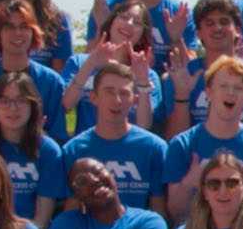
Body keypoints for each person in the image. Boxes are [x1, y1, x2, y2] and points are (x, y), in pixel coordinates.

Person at [164, 57, 243, 221]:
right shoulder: (182, 145)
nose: (230, 93)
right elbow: (175, 211)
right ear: (209, 93)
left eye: (239, 88)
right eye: (223, 86)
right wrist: (188, 183)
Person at [62, 63, 169, 215]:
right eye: (109, 92)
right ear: (93, 98)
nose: (117, 100)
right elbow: (71, 208)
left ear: (134, 100)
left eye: (124, 93)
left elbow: (159, 209)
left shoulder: (154, 148)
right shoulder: (74, 150)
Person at [0, 0, 70, 143]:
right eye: (9, 27)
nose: (17, 33)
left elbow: (57, 137)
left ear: (33, 32)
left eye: (24, 27)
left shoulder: (51, 82)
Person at [0, 72, 67, 226]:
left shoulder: (48, 150)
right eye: (5, 101)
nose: (13, 108)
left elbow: (42, 217)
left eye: (21, 101)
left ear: (33, 106)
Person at [164, 0, 243, 139]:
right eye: (209, 23)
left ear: (237, 31)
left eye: (224, 22)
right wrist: (181, 94)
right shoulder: (182, 75)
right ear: (198, 33)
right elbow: (174, 140)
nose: (217, 28)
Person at [63, 1, 164, 133]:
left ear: (142, 37)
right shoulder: (79, 62)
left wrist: (143, 82)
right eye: (124, 17)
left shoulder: (149, 75)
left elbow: (144, 125)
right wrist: (90, 64)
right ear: (111, 23)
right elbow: (66, 105)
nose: (129, 24)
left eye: (137, 23)